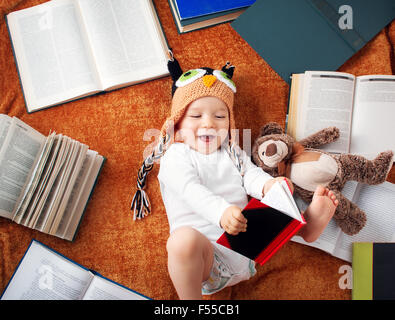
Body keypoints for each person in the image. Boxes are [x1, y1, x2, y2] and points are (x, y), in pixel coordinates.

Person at [131, 57, 338, 300]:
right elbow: (190, 189)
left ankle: (304, 227)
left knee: (273, 198)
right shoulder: (174, 155)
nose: (208, 123)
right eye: (196, 116)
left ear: (229, 125)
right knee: (180, 242)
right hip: (208, 263)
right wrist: (221, 212)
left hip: (247, 247)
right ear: (176, 126)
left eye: (220, 117)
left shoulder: (232, 152)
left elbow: (250, 175)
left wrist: (268, 186)